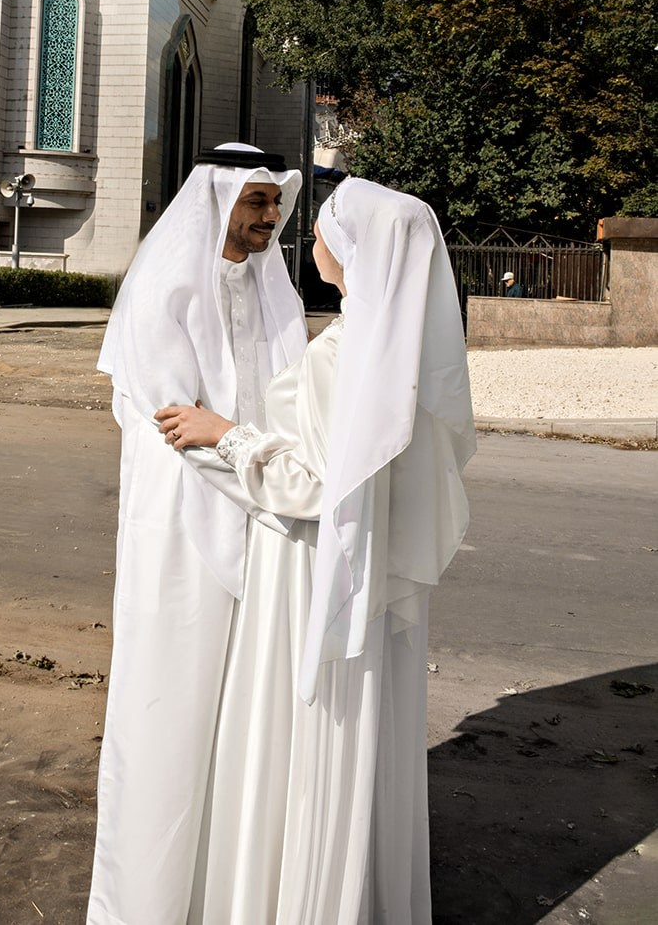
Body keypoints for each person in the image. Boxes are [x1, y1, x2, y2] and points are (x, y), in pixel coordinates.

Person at [157, 177, 476, 924]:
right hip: (362, 569)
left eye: (327, 228)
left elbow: (319, 488)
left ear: (354, 248)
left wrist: (223, 433)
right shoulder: (404, 352)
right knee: (355, 740)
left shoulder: (347, 353)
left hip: (308, 568)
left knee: (302, 746)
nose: (314, 239)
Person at [86, 143, 308, 925]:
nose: (269, 218)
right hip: (182, 526)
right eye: (256, 203)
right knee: (169, 710)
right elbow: (177, 425)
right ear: (216, 202)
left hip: (263, 519)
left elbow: (292, 408)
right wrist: (277, 482)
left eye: (275, 203)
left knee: (247, 716)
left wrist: (276, 480)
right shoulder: (164, 289)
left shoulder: (272, 285)